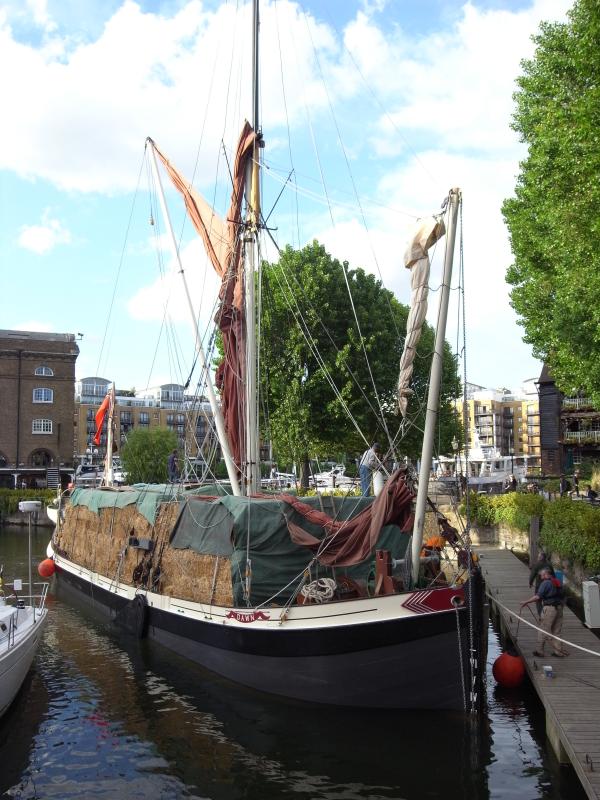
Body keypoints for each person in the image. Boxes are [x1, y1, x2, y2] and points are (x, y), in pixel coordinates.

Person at [521, 567, 568, 657]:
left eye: (542, 575)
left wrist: (526, 602)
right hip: (559, 608)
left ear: (547, 574)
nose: (541, 577)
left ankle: (539, 651)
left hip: (549, 609)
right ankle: (558, 651)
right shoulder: (557, 581)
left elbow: (537, 597)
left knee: (543, 629)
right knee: (557, 631)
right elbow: (563, 596)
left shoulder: (545, 583)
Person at [528, 550, 555, 620]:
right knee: (546, 599)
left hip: (540, 585)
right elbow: (553, 575)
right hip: (549, 586)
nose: (537, 557)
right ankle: (546, 613)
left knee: (538, 600)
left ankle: (541, 615)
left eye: (538, 556)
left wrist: (530, 583)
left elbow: (532, 575)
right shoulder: (549, 564)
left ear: (541, 557)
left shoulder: (537, 565)